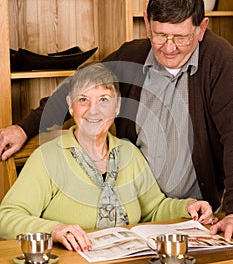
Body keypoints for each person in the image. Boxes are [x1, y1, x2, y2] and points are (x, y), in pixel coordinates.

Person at [0, 0, 232, 238]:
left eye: (180, 38)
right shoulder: (131, 56)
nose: (169, 47)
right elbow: (81, 86)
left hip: (195, 217)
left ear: (201, 29)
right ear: (146, 23)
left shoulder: (219, 60)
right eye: (160, 35)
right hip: (143, 221)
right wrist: (24, 127)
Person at [0, 63, 214, 251]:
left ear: (118, 106)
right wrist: (54, 230)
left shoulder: (130, 153)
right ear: (70, 105)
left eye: (104, 99)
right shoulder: (47, 158)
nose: (94, 111)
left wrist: (188, 207)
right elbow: (6, 217)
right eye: (83, 99)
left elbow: (154, 209)